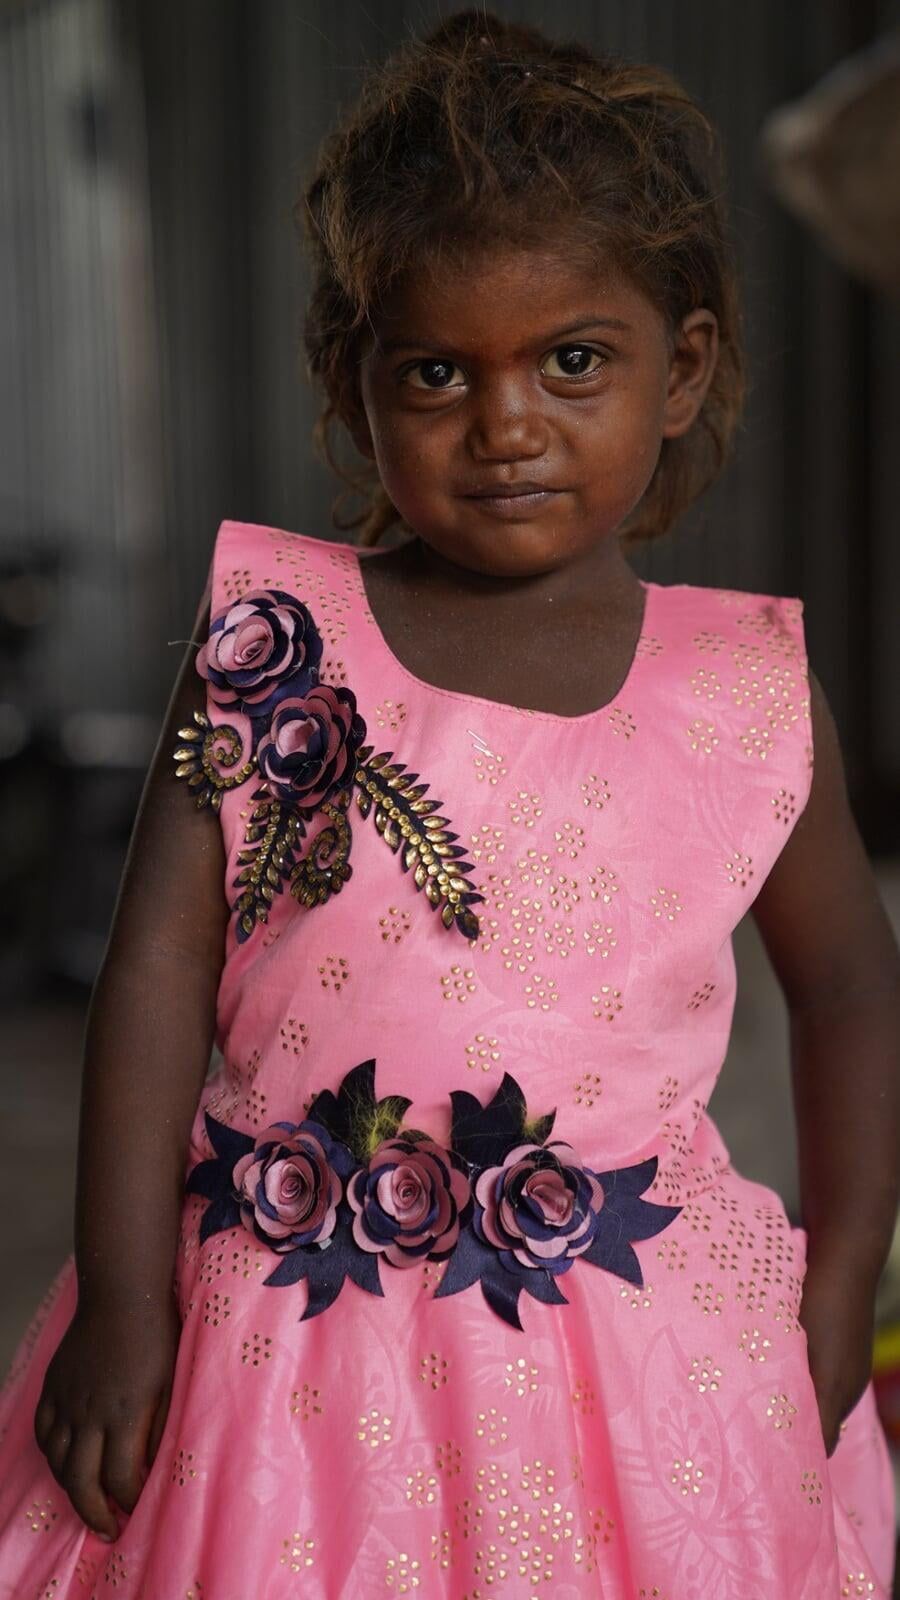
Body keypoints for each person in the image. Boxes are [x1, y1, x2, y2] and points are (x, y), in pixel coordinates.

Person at [0, 9, 897, 1596]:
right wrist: (128, 1303)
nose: (506, 426)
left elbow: (849, 991)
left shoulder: (746, 691)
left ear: (682, 369)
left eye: (573, 361)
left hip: (643, 1358)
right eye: (436, 372)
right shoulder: (274, 647)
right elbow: (154, 974)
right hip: (283, 1344)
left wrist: (840, 1285)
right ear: (353, 386)